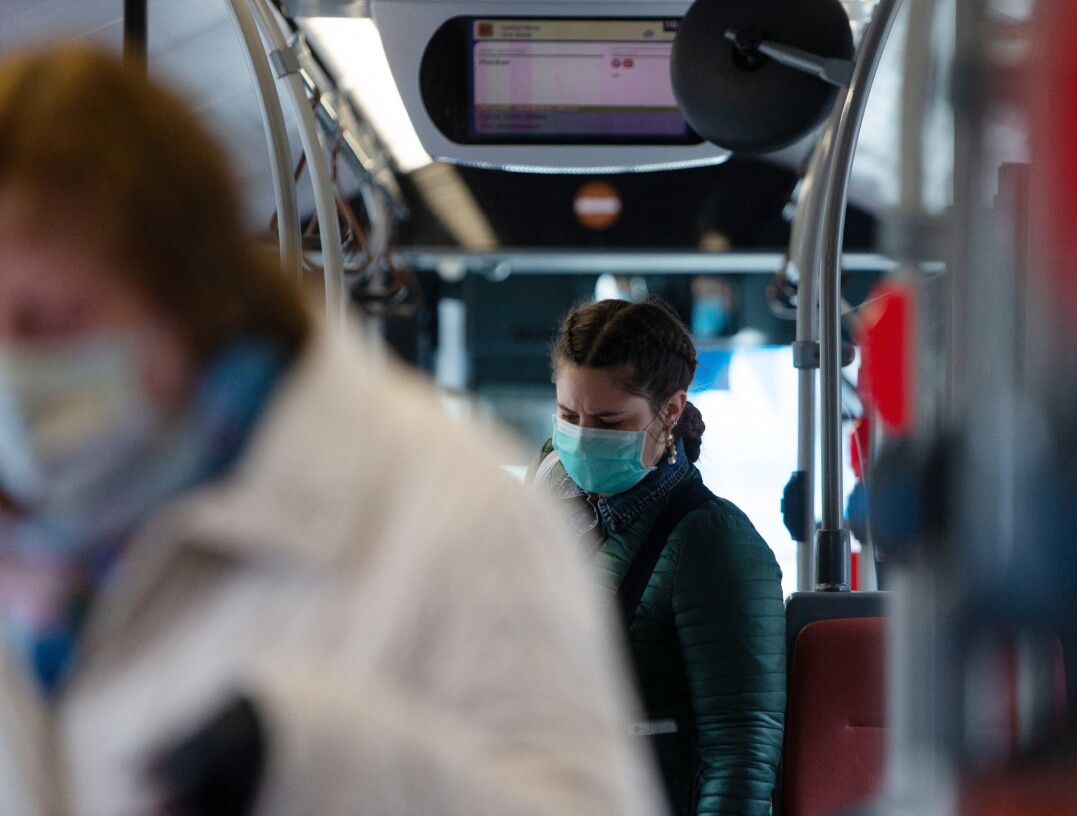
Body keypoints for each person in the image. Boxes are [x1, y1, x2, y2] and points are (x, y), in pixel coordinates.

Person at [0, 43, 664, 816]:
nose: (15, 367)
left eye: (53, 319)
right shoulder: (35, 548)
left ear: (191, 295)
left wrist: (316, 762)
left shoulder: (458, 518)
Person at [529, 298, 786, 816]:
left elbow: (740, 754)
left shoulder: (712, 540)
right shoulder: (549, 490)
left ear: (669, 410)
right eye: (567, 415)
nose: (581, 437)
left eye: (608, 421)